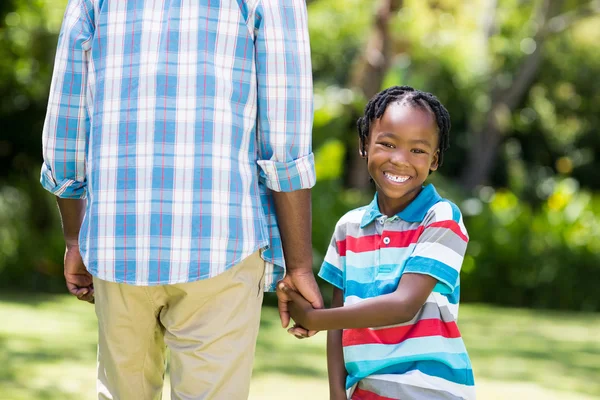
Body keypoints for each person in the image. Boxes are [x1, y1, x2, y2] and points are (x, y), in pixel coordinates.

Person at [40, 0, 323, 398]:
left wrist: (74, 238)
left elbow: (65, 127)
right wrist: (298, 265)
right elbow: (285, 137)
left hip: (117, 240)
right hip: (222, 241)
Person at [279, 86, 476, 400]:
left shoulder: (441, 217)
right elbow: (339, 321)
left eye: (418, 150)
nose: (400, 160)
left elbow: (404, 305)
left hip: (429, 390)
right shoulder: (348, 228)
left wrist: (314, 318)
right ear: (364, 146)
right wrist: (336, 394)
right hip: (366, 390)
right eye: (387, 144)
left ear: (434, 159)